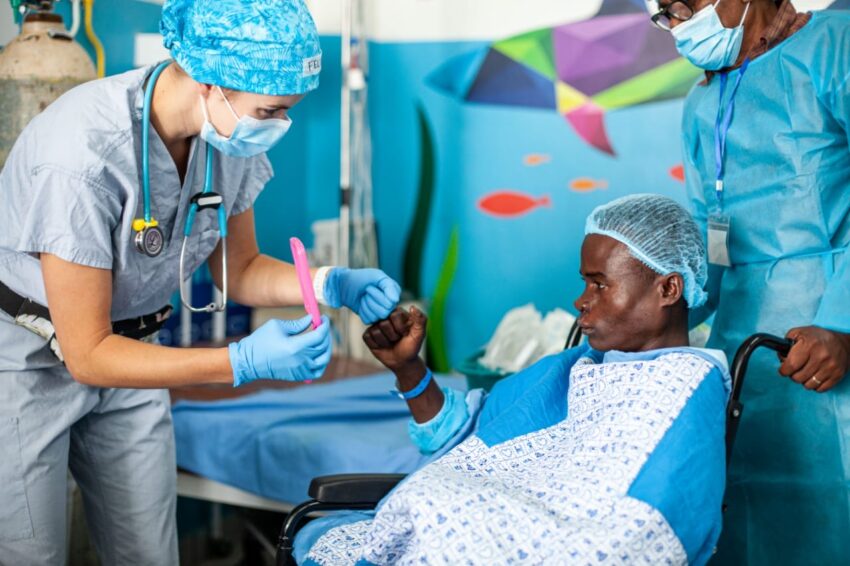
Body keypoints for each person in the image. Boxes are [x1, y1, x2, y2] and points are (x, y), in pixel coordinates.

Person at [0, 0, 400, 564]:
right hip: (25, 361)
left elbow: (241, 268)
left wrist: (332, 283)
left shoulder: (226, 136)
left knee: (149, 553)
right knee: (29, 554)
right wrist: (243, 362)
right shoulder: (81, 155)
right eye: (270, 110)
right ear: (210, 82)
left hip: (132, 356)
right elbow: (87, 353)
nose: (277, 126)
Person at [294, 194, 730, 566]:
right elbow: (470, 435)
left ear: (669, 289)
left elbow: (651, 520)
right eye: (585, 283)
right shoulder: (576, 365)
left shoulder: (688, 386)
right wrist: (408, 369)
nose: (581, 301)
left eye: (600, 285)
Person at [646, 0, 850, 562]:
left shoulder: (834, 49)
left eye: (687, 5)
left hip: (829, 337)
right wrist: (656, 309)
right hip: (741, 351)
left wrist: (841, 324)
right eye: (666, 15)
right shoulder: (701, 104)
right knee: (747, 512)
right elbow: (705, 234)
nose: (681, 24)